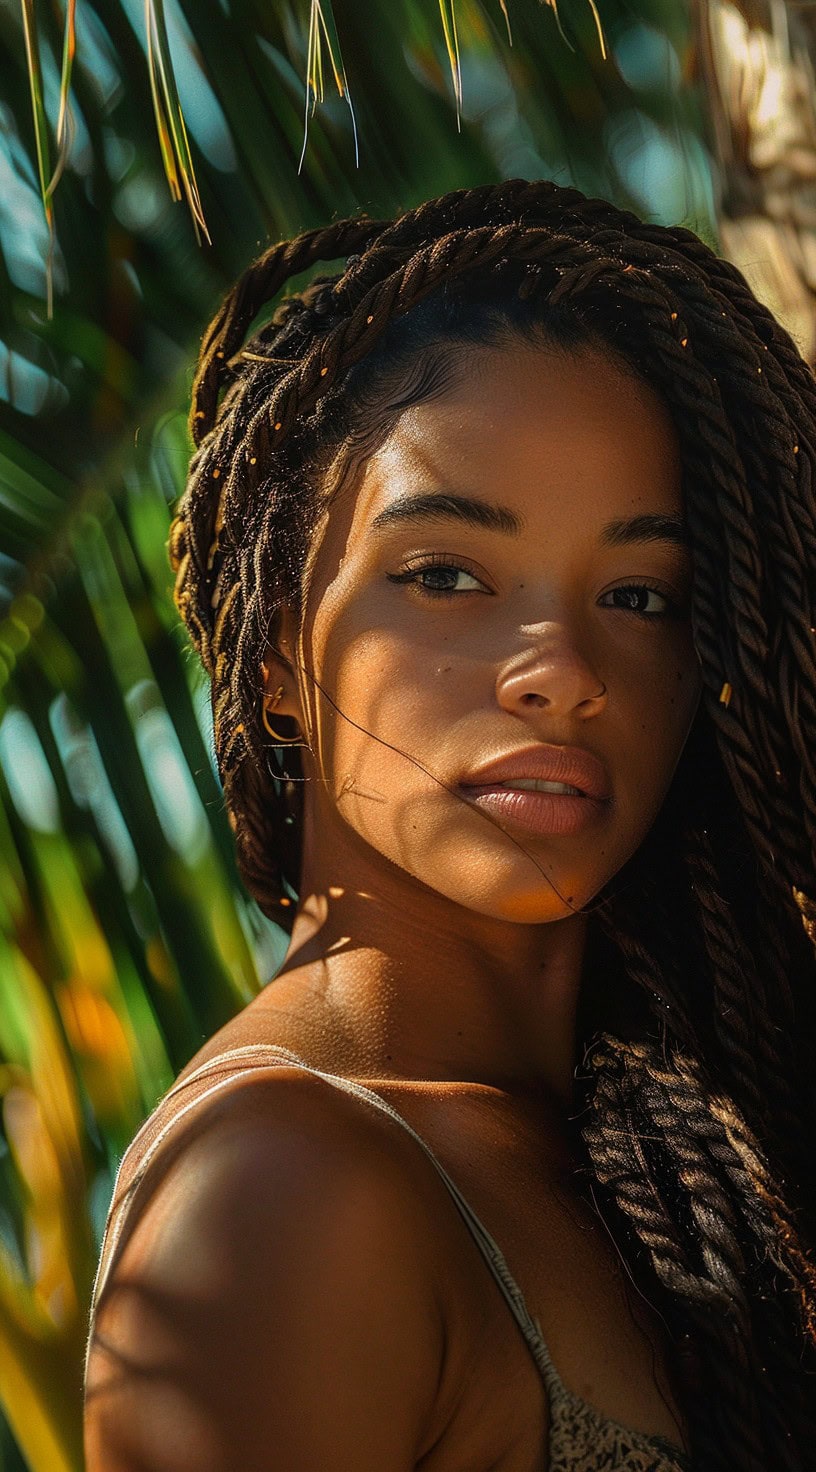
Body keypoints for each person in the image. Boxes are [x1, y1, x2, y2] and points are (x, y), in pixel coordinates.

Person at [83, 179, 816, 1471]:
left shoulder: (685, 1158)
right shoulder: (285, 1189)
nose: (560, 666)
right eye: (444, 575)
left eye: (642, 593)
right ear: (273, 653)